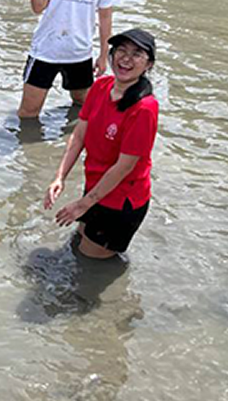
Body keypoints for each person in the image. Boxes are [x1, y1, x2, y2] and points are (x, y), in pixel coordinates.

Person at [43, 29, 159, 259]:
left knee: (91, 264)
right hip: (96, 187)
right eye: (121, 51)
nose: (126, 59)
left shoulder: (144, 108)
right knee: (78, 244)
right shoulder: (101, 86)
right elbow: (79, 135)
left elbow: (124, 166)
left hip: (120, 200)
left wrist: (83, 204)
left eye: (136, 54)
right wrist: (60, 177)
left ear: (148, 64)